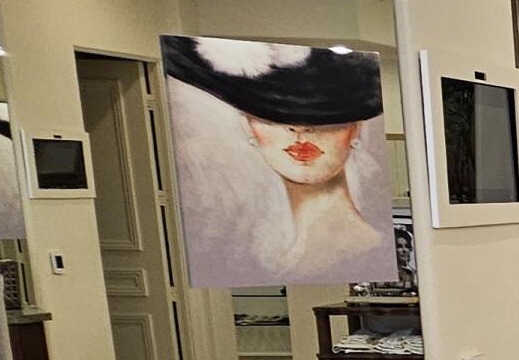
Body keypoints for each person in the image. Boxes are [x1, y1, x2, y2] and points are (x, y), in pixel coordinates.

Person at [160, 36, 393, 286]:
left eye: (326, 118)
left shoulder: (365, 251)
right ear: (248, 126)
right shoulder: (258, 255)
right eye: (273, 117)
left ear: (355, 129)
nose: (299, 129)